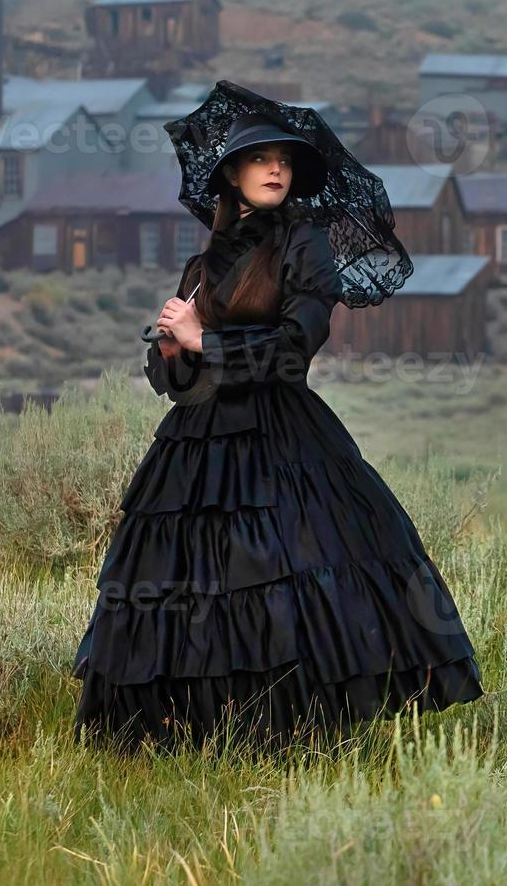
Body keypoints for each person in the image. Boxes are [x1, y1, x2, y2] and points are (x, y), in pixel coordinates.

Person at [71, 114, 485, 753]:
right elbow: (174, 376)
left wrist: (205, 339)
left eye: (284, 162)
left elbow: (298, 345)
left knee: (286, 570)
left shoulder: (305, 244)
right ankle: (193, 731)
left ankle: (291, 730)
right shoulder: (201, 266)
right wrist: (177, 353)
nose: (275, 170)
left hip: (283, 435)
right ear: (230, 175)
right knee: (185, 581)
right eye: (259, 159)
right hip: (198, 446)